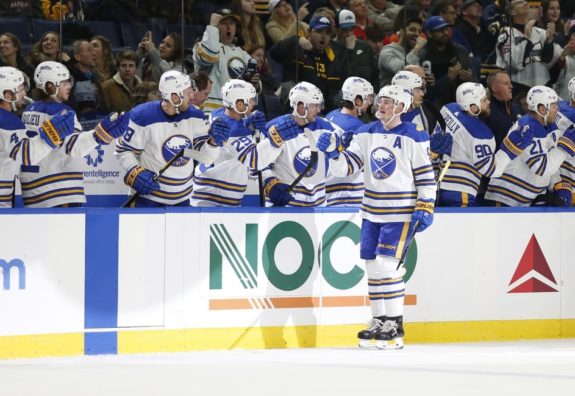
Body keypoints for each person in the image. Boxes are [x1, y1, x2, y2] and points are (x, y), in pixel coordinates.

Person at [316, 84, 436, 349]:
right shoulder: (365, 132)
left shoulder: (413, 136)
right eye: (380, 100)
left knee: (386, 266)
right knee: (371, 266)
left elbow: (427, 177)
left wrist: (426, 205)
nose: (381, 105)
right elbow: (347, 168)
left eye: (389, 101)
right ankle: (379, 320)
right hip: (371, 211)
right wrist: (333, 153)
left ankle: (396, 322)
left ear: (402, 108)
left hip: (400, 212)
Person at [20, 61, 128, 207]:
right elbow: (73, 147)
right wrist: (100, 134)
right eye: (64, 83)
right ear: (50, 86)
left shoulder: (29, 110)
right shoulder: (62, 112)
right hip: (59, 191)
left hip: (32, 191)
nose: (69, 86)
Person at [115, 71, 229, 207]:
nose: (192, 96)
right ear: (175, 97)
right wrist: (135, 171)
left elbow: (206, 159)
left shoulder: (195, 115)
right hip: (148, 199)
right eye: (188, 93)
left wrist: (213, 142)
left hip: (183, 200)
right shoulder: (142, 116)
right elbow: (123, 150)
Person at [191, 79, 298, 207]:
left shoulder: (218, 113)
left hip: (208, 188)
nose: (253, 103)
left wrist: (248, 123)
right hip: (214, 197)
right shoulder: (235, 130)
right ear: (239, 104)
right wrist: (276, 138)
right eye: (251, 100)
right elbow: (254, 161)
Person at [438, 82, 534, 207]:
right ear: (473, 107)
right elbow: (490, 170)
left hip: (440, 184)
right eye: (484, 100)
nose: (488, 102)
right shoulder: (480, 133)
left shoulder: (448, 108)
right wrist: (510, 149)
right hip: (461, 191)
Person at [0, 66, 77, 207]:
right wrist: (52, 134)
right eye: (20, 89)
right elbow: (26, 155)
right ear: (7, 95)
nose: (24, 94)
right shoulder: (7, 120)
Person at [485, 86, 575, 206]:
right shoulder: (527, 129)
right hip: (507, 199)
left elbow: (550, 160)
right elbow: (542, 168)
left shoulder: (550, 127)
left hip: (527, 200)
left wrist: (557, 184)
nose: (557, 110)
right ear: (542, 109)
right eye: (553, 106)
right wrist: (565, 148)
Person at [261, 81, 341, 207]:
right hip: (285, 207)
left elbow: (344, 143)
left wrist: (338, 143)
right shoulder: (274, 128)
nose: (319, 109)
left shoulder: (326, 127)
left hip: (318, 208)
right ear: (301, 106)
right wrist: (270, 183)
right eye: (315, 105)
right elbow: (260, 164)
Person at [269, 14, 352, 111]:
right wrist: (296, 39)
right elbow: (273, 53)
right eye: (319, 31)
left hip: (324, 111)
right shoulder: (297, 50)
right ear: (309, 32)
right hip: (297, 108)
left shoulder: (333, 58)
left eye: (327, 33)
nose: (323, 36)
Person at [193, 9, 259, 114]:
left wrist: (253, 82)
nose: (229, 27)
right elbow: (209, 56)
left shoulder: (243, 54)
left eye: (232, 23)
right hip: (209, 109)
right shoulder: (200, 48)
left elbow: (254, 85)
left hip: (234, 111)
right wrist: (212, 27)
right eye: (223, 23)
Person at [324, 76, 373, 206]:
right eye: (368, 98)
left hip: (326, 185)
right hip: (345, 192)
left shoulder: (332, 114)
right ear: (357, 101)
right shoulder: (357, 127)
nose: (370, 103)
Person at [495, 0, 555, 97]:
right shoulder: (506, 34)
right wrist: (526, 37)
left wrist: (549, 42)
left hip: (543, 85)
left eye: (525, 1)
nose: (525, 3)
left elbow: (547, 60)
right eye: (520, 2)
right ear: (512, 11)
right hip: (518, 88)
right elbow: (514, 63)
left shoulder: (540, 32)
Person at [378, 13, 425, 87]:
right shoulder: (388, 51)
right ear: (402, 31)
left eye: (419, 31)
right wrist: (416, 49)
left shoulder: (413, 52)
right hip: (391, 96)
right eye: (412, 30)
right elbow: (401, 71)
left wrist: (424, 80)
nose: (417, 34)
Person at [331, 9, 376, 86]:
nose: (349, 33)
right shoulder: (329, 48)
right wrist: (349, 50)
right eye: (345, 30)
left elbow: (374, 73)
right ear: (335, 28)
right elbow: (339, 75)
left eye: (352, 29)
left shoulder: (365, 47)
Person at [485, 70, 522, 149]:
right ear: (494, 88)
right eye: (506, 83)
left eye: (510, 83)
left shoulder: (518, 108)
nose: (511, 86)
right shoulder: (487, 112)